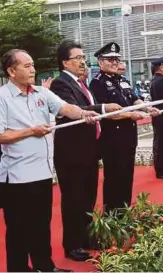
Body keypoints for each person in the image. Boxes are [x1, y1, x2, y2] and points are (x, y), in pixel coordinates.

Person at [0, 49, 99, 272]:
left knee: (41, 224)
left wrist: (84, 114)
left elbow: (65, 108)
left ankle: (45, 266)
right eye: (26, 66)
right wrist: (30, 131)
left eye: (33, 64)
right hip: (16, 176)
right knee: (18, 227)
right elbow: (1, 135)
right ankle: (18, 269)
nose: (33, 69)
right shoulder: (2, 97)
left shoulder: (41, 94)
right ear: (11, 71)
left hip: (43, 172)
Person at [50, 40, 123, 261]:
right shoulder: (61, 85)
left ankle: (87, 238)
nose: (83, 62)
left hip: (89, 152)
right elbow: (75, 109)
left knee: (88, 199)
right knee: (74, 200)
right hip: (71, 154)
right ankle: (72, 245)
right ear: (65, 62)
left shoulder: (83, 83)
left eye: (83, 57)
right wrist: (103, 108)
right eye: (77, 58)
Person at [90, 42, 160, 214]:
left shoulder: (122, 80)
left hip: (128, 138)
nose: (115, 62)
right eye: (110, 59)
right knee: (114, 178)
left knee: (127, 177)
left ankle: (124, 212)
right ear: (101, 62)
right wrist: (130, 115)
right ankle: (112, 216)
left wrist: (147, 108)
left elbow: (134, 99)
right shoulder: (97, 83)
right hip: (112, 140)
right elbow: (105, 113)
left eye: (117, 59)